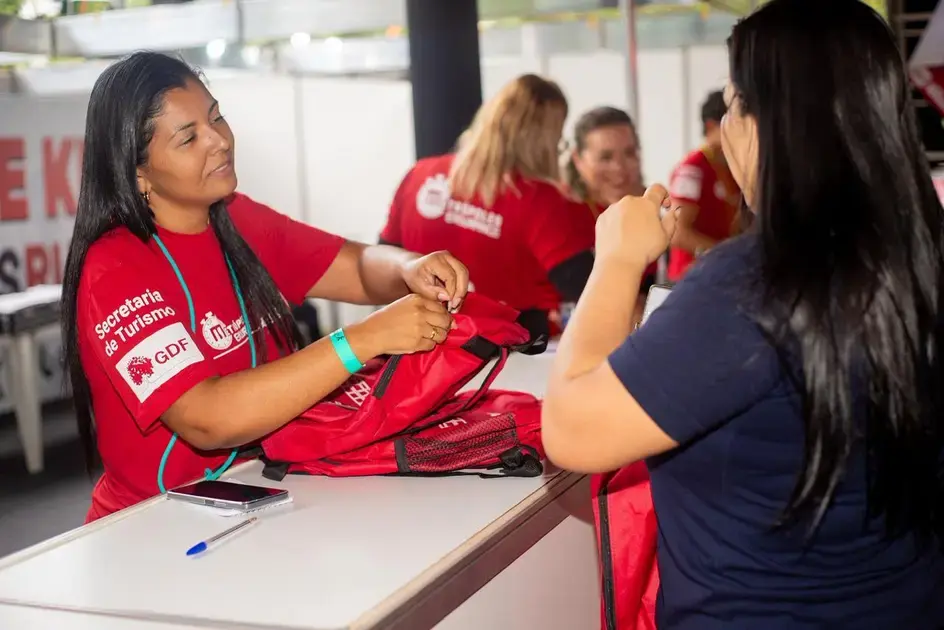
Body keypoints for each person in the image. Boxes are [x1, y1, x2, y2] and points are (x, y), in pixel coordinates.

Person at [542, 1, 944, 628]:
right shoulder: (920, 256)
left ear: (768, 122)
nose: (726, 127)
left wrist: (617, 261)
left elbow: (572, 431)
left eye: (732, 105)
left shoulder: (757, 283)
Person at [62, 52, 471, 522]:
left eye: (216, 116)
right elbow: (207, 418)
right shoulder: (115, 267)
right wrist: (365, 338)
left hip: (259, 494)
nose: (218, 140)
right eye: (189, 137)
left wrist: (408, 266)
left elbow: (356, 267)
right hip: (155, 525)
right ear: (136, 172)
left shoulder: (235, 217)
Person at [379, 74, 595, 335]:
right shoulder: (539, 200)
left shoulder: (420, 174)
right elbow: (589, 287)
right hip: (504, 353)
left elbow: (380, 265)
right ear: (544, 139)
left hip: (418, 345)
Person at [564, 106, 656, 323]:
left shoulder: (652, 207)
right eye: (605, 157)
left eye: (629, 153)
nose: (619, 168)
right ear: (578, 159)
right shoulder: (564, 214)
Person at [666, 90, 741, 282]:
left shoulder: (731, 167)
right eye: (733, 126)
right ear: (711, 126)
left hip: (721, 274)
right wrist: (727, 256)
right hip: (690, 279)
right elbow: (677, 232)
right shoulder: (692, 170)